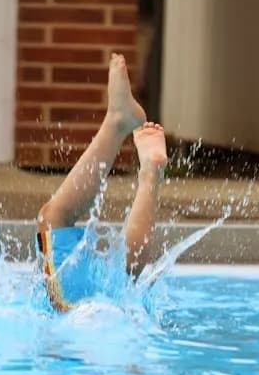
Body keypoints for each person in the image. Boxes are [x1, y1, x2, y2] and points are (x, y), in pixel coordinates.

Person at [36, 52, 167, 312]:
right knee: (53, 218)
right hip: (85, 327)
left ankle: (150, 174)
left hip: (91, 331)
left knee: (120, 279)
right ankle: (119, 128)